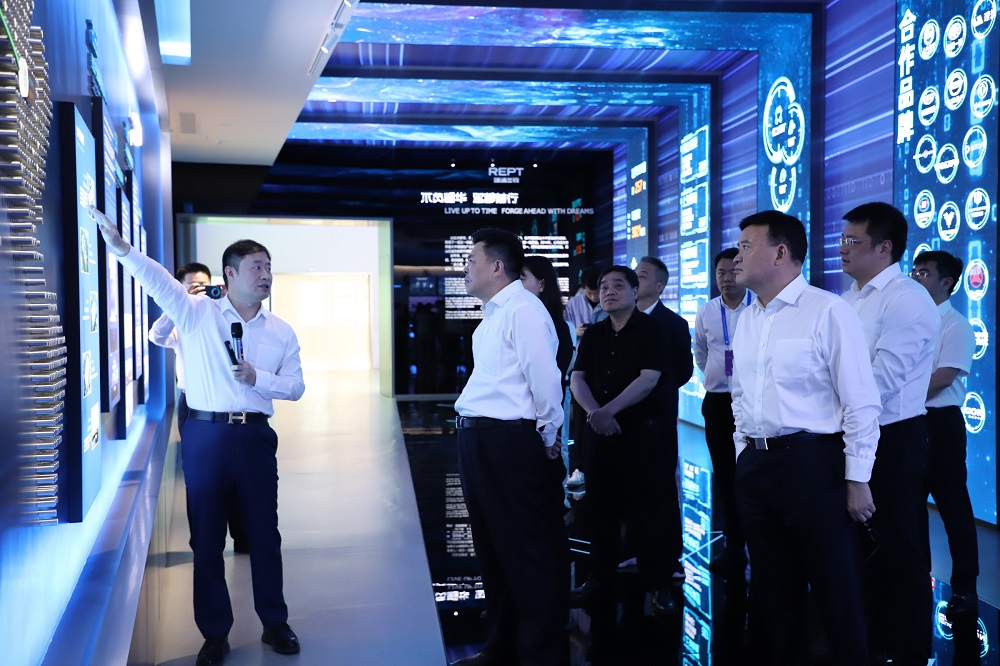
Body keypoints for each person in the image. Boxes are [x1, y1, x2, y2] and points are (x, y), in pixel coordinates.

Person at [92, 207, 305, 666]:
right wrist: (123, 250)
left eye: (268, 267)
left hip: (255, 437)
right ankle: (214, 633)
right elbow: (159, 281)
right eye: (256, 267)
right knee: (206, 538)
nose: (266, 275)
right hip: (205, 434)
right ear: (230, 274)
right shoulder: (196, 314)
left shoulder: (281, 331)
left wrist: (259, 378)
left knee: (264, 534)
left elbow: (296, 387)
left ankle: (275, 622)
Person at [730, 210, 881, 665]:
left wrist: (857, 479)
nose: (736, 258)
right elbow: (741, 395)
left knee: (836, 590)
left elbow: (861, 401)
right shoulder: (748, 317)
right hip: (757, 465)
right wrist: (742, 452)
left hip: (811, 465)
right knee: (773, 593)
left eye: (746, 247)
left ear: (781, 253)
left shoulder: (828, 310)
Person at [451, 229, 568, 666]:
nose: (465, 269)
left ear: (497, 266)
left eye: (472, 260)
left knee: (524, 552)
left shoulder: (523, 310)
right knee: (493, 550)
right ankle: (502, 645)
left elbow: (545, 380)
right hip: (480, 439)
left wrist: (549, 435)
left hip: (508, 440)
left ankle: (539, 653)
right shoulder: (494, 314)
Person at [839, 202, 938, 665]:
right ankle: (874, 641)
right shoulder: (849, 298)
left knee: (899, 547)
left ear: (884, 247)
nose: (842, 249)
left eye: (852, 241)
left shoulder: (907, 298)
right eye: (842, 240)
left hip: (894, 437)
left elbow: (881, 380)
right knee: (861, 548)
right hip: (853, 432)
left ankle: (912, 650)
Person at [569, 265, 680, 616]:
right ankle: (599, 578)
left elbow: (649, 379)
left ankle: (658, 581)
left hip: (642, 435)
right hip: (600, 434)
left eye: (619, 285)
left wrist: (609, 411)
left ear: (635, 292)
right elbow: (577, 377)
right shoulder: (594, 333)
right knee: (600, 509)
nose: (609, 291)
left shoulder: (654, 329)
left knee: (648, 509)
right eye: (604, 286)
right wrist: (595, 413)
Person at [149, 263, 249, 555]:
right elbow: (156, 337)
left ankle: (243, 537)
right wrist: (177, 305)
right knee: (199, 474)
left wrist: (227, 303)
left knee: (238, 471)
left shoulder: (223, 314)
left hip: (229, 402)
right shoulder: (180, 322)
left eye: (204, 285)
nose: (200, 291)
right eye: (192, 286)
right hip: (193, 406)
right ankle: (204, 543)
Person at [910, 251, 980, 627]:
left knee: (954, 508)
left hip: (941, 425)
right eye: (914, 270)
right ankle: (916, 581)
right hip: (907, 423)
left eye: (924, 273)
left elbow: (944, 376)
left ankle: (965, 588)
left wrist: (895, 392)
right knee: (909, 507)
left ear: (947, 282)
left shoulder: (956, 325)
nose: (915, 277)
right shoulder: (907, 321)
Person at [692, 248, 752, 573]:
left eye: (732, 272)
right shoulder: (707, 311)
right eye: (721, 273)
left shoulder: (758, 307)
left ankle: (762, 543)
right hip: (717, 402)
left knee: (753, 473)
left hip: (752, 402)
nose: (727, 279)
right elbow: (700, 352)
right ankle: (734, 545)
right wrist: (716, 377)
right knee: (725, 475)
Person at [521, 255, 576, 507]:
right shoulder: (520, 319)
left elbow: (552, 379)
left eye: (523, 278)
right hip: (521, 416)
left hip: (543, 413)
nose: (516, 285)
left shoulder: (555, 326)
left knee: (552, 457)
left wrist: (548, 431)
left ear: (542, 284)